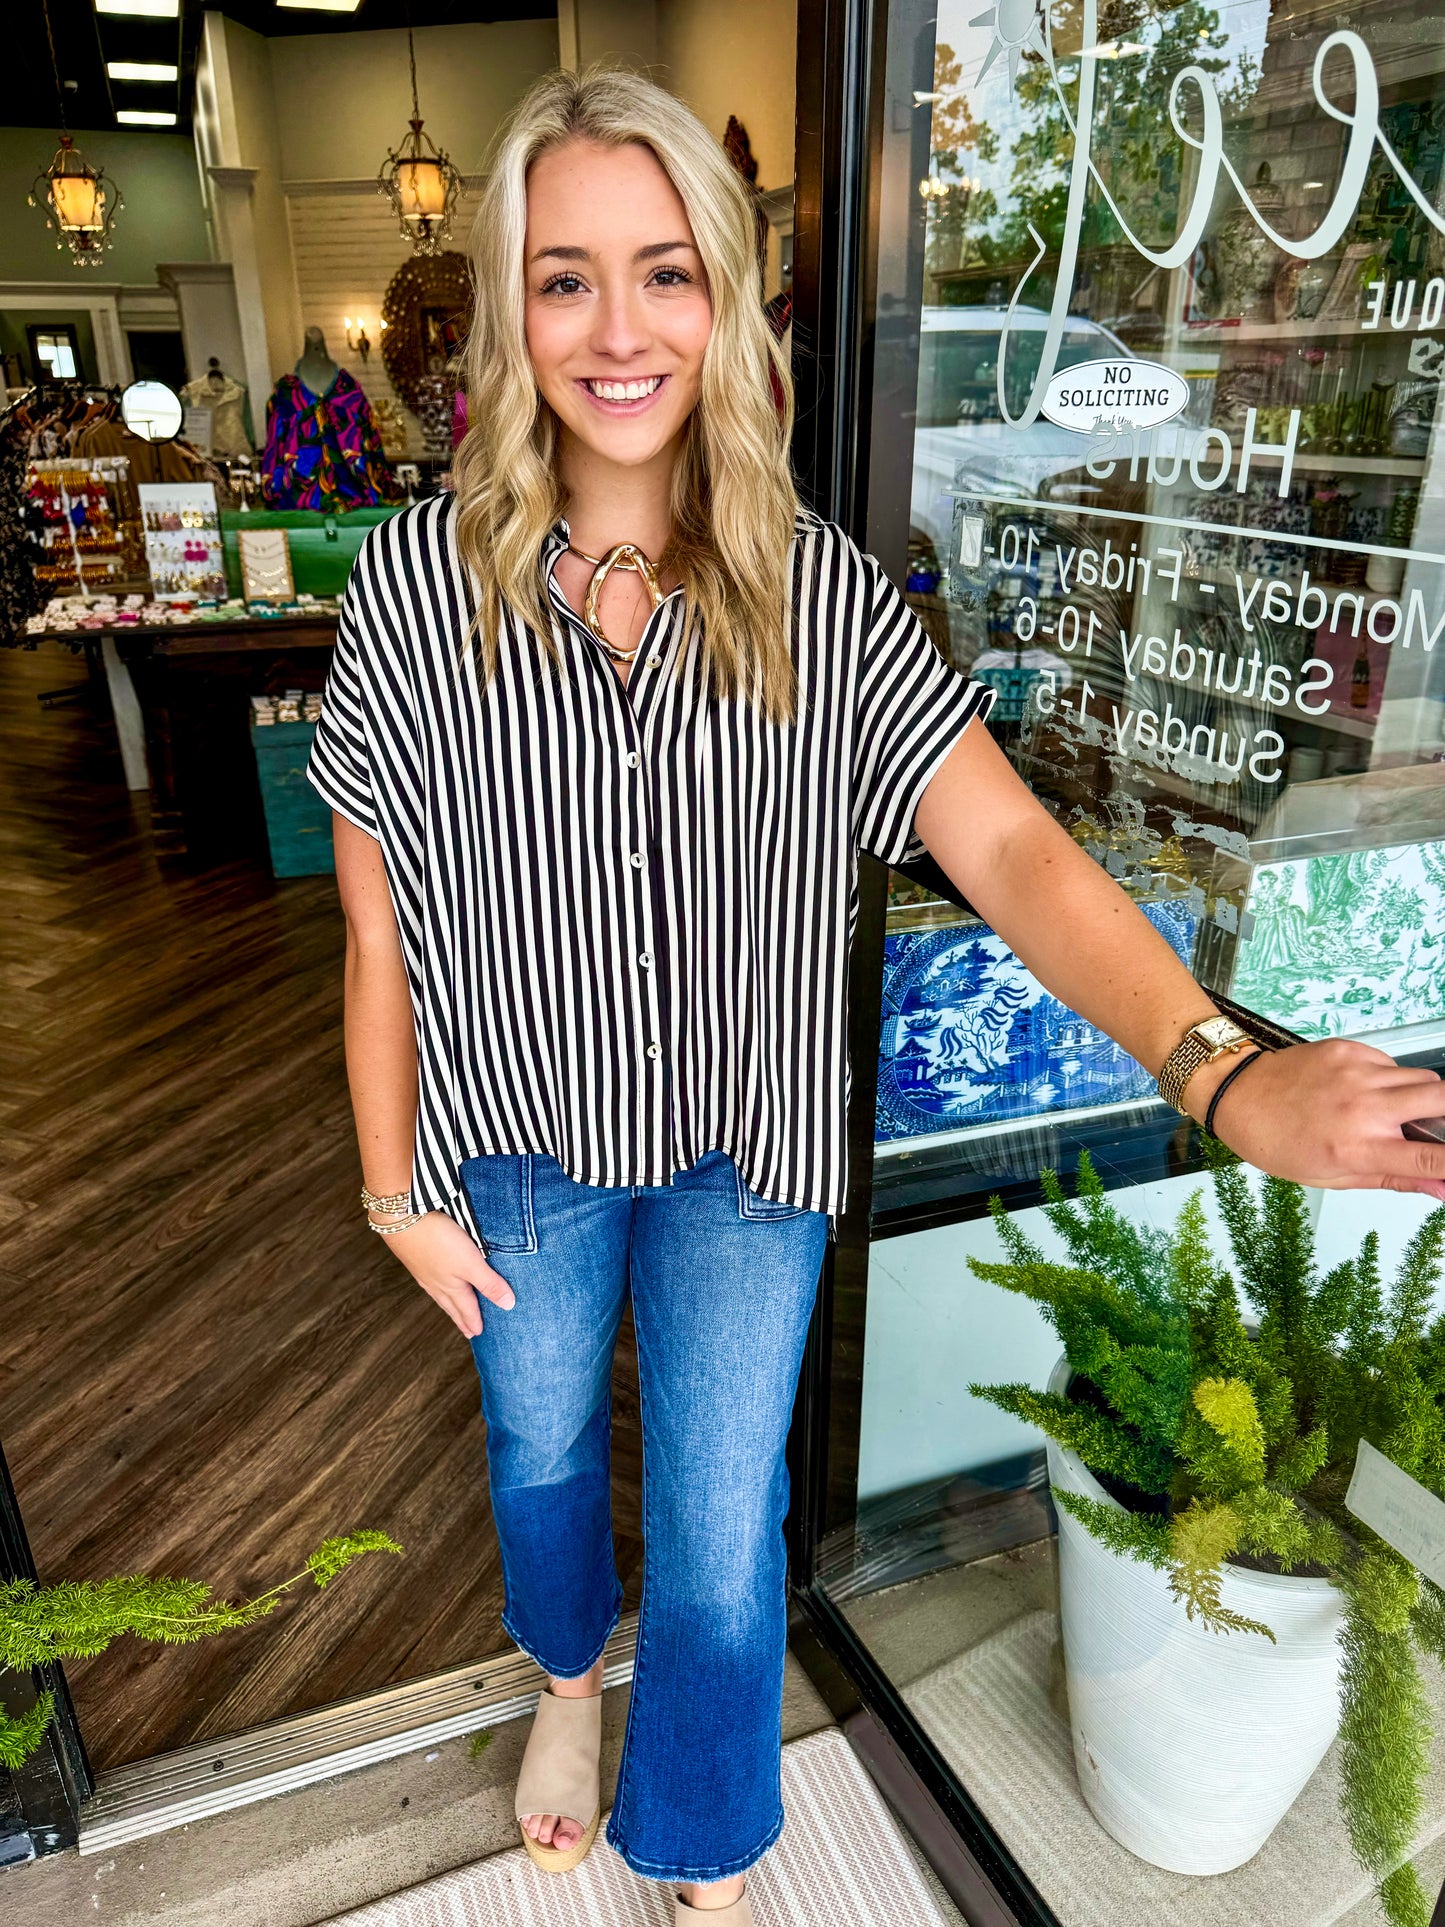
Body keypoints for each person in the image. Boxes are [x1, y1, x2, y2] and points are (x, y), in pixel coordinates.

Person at [307, 65, 1445, 1927]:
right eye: (565, 274)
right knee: (531, 1446)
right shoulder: (419, 592)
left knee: (719, 1535)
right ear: (511, 305)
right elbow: (376, 932)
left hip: (749, 1159)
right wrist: (385, 1186)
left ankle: (700, 1844)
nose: (618, 329)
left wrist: (1220, 1073)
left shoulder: (817, 602)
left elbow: (1015, 859)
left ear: (730, 300)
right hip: (506, 1141)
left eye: (664, 271)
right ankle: (558, 1684)